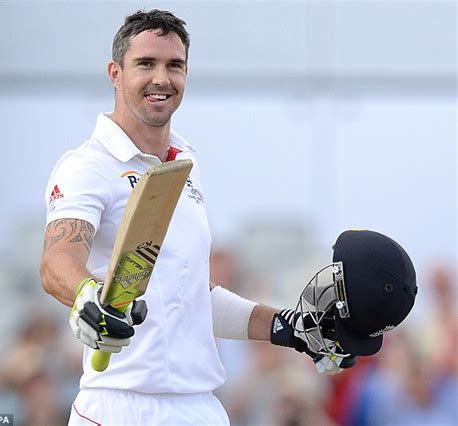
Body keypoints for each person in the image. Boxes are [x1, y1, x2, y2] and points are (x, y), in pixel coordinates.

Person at [39, 9, 417, 425]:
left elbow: (194, 296)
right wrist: (87, 295)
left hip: (199, 406)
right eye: (145, 64)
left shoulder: (184, 164)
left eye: (174, 66)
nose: (161, 78)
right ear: (115, 72)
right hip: (121, 406)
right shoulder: (87, 165)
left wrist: (284, 327)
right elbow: (56, 261)